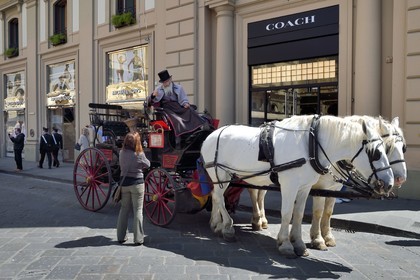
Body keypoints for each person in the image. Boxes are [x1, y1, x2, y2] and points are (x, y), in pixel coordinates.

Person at [117, 132, 150, 246]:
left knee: (124, 209)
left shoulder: (121, 153)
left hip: (124, 184)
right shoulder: (139, 154)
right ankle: (138, 239)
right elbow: (148, 164)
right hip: (137, 184)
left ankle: (121, 237)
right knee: (138, 211)